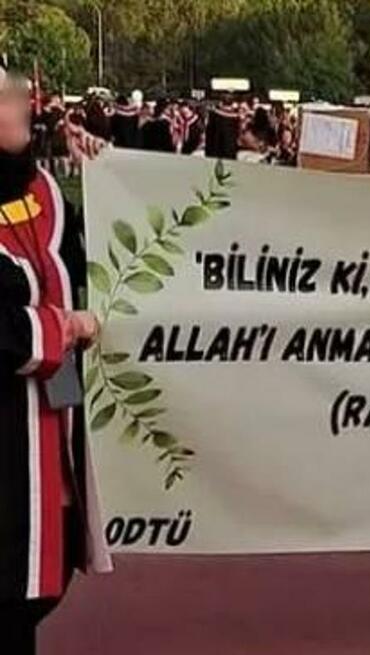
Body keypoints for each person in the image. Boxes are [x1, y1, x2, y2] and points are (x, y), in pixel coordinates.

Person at [0, 67, 112, 655]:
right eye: (7, 96)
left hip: (49, 439)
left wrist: (112, 176)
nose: (24, 103)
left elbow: (85, 262)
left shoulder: (38, 188)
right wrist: (60, 328)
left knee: (35, 593)